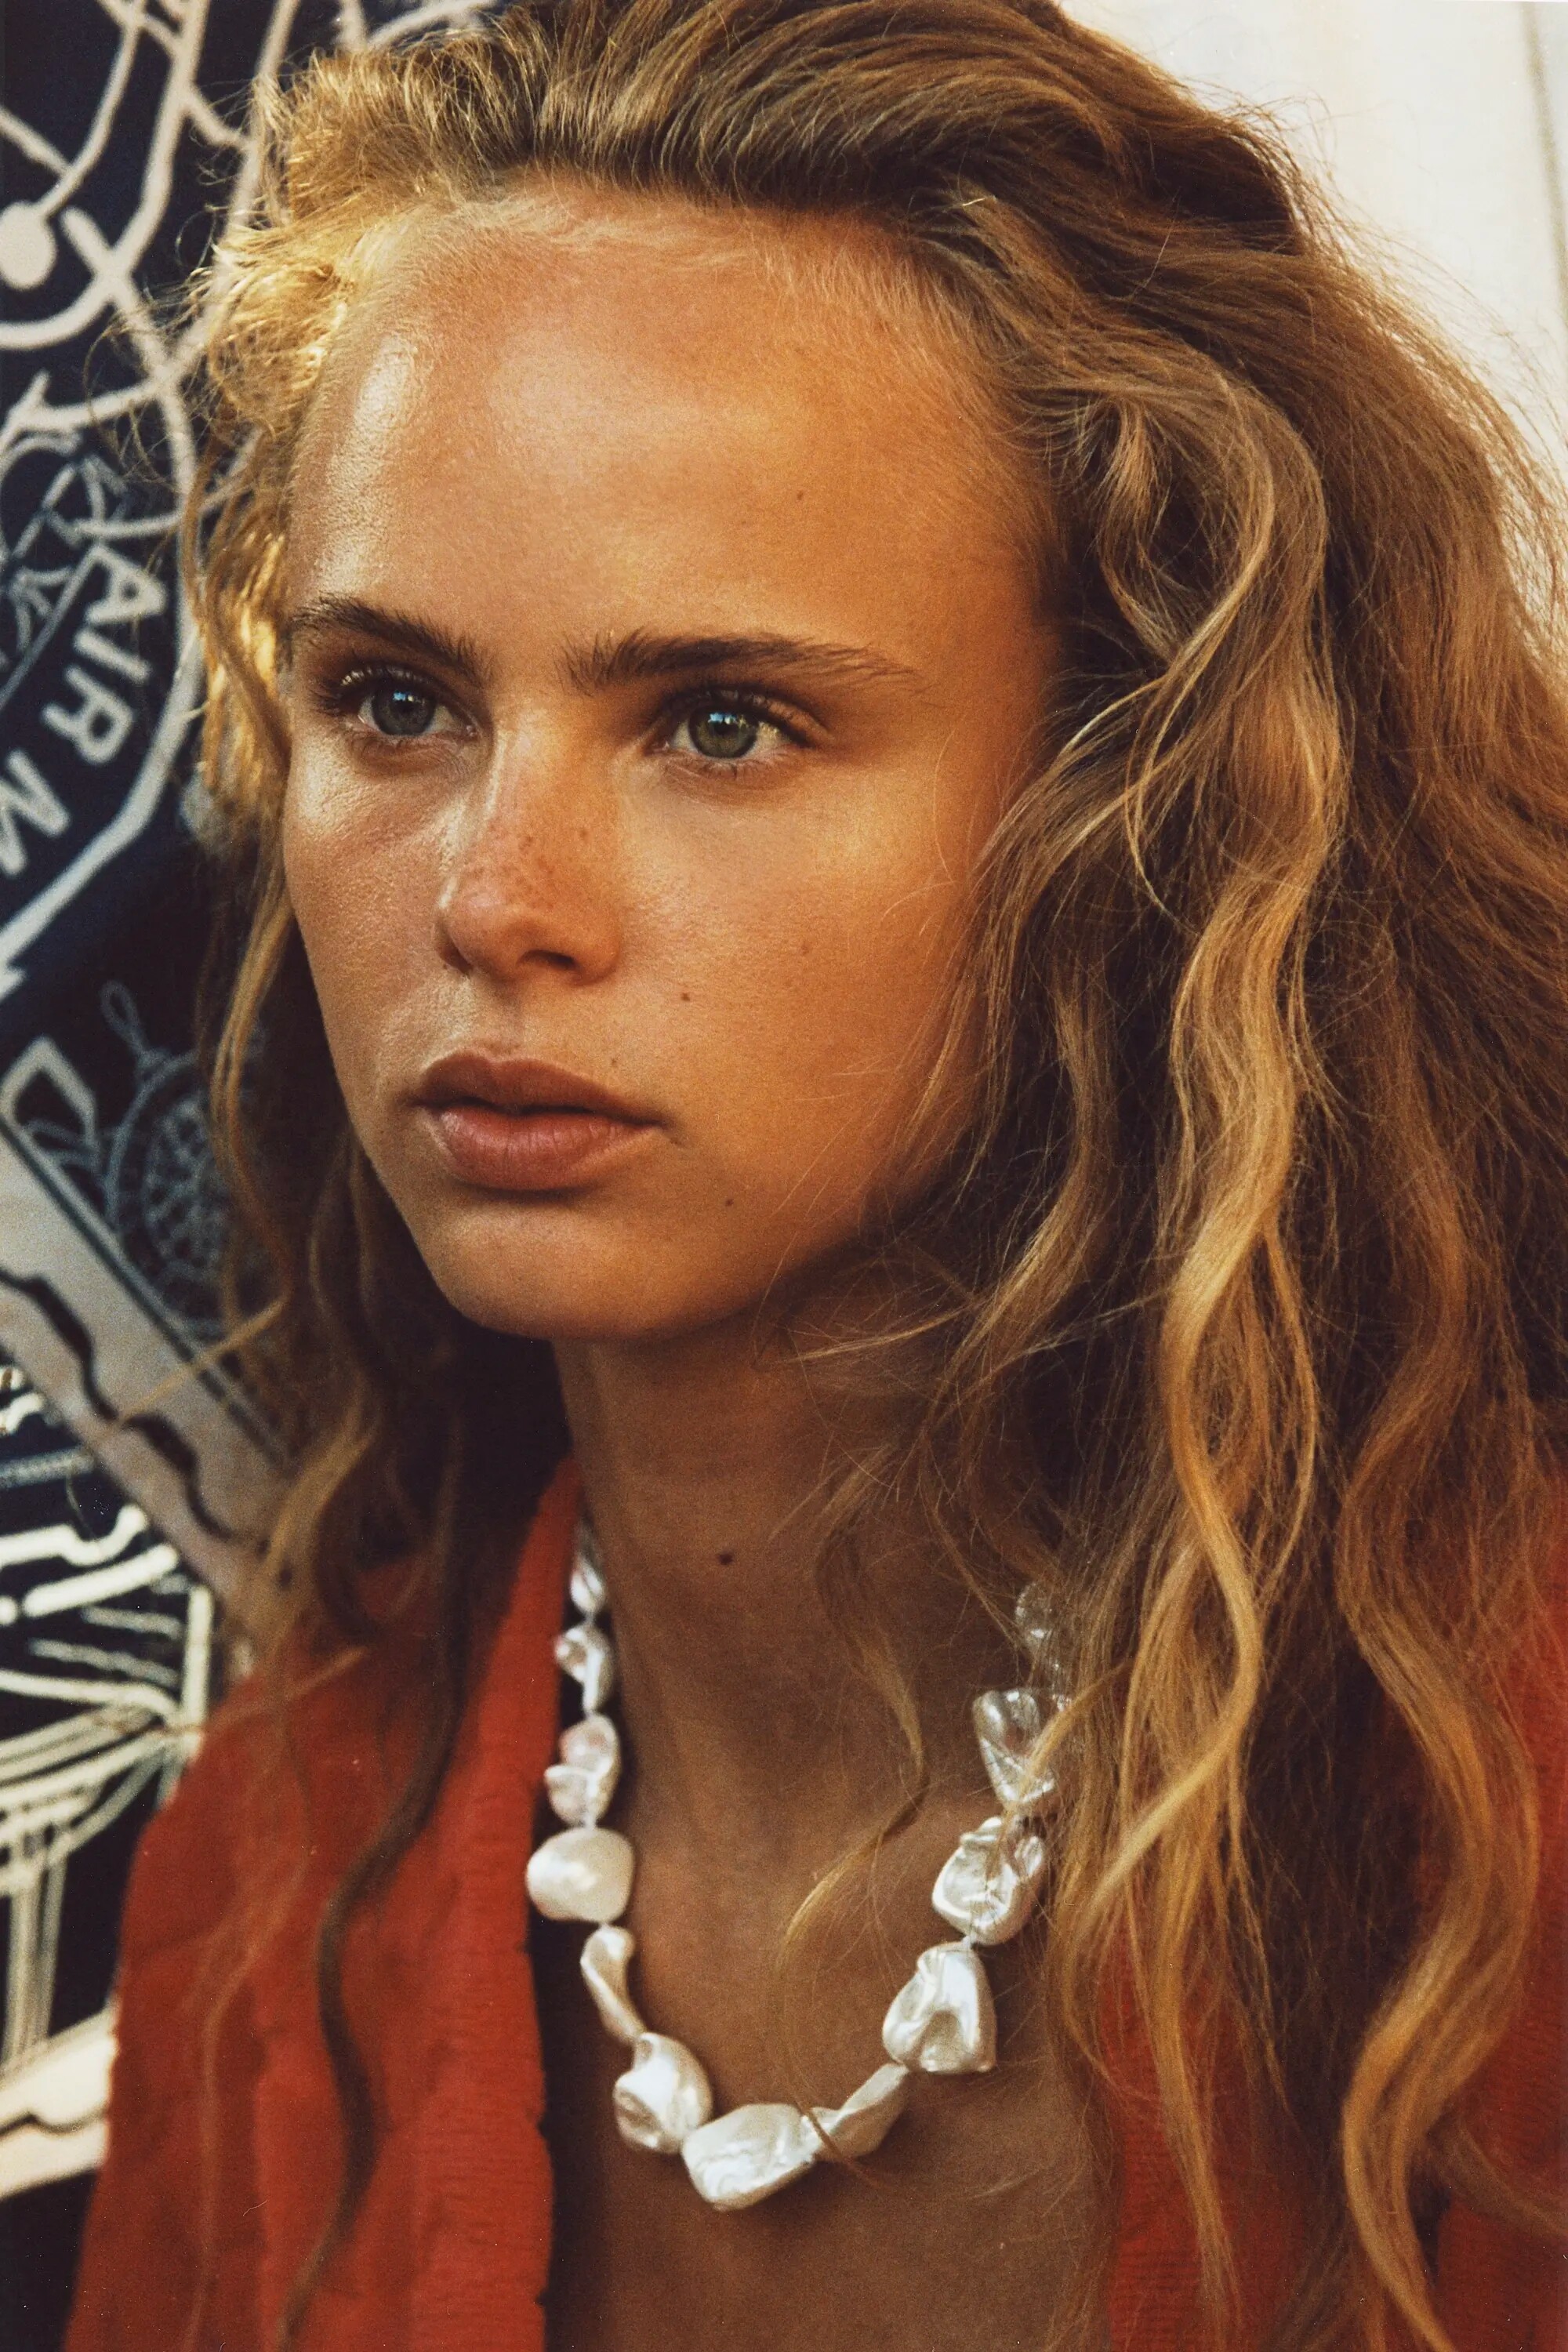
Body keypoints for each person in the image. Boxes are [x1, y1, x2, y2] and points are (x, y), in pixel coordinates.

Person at [63, 2, 1568, 2347]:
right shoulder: (279, 1864)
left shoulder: (1501, 1823)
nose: (493, 896)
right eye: (395, 701)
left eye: (722, 721)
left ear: (1132, 796)